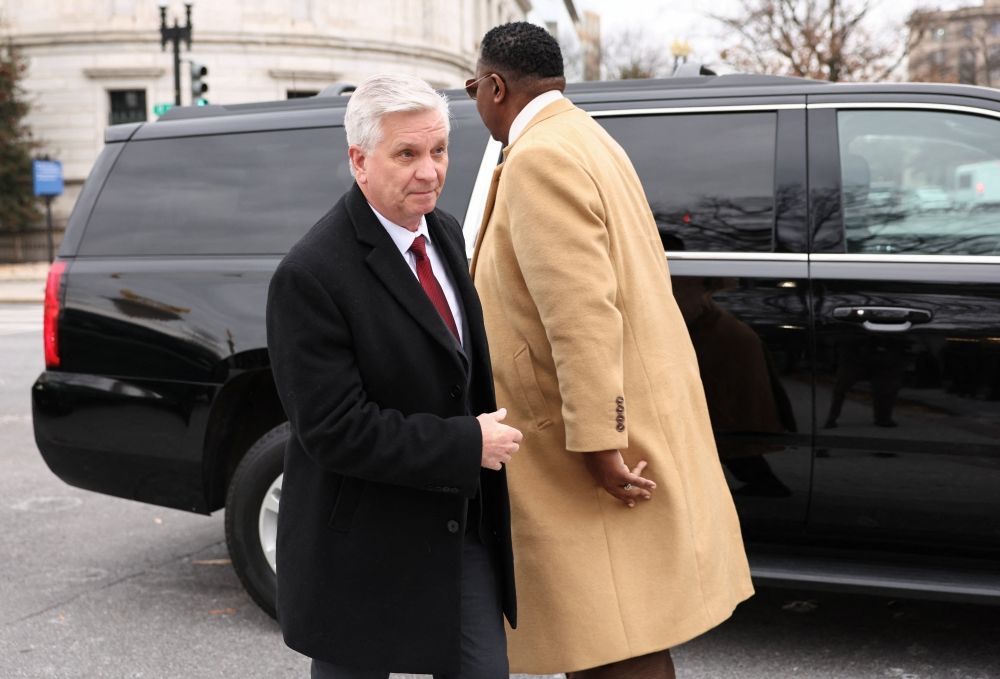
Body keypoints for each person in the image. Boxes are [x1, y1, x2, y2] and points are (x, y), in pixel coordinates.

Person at [468, 22, 754, 678]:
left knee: (606, 635)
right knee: (622, 628)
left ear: (495, 86)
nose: (473, 99)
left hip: (575, 449)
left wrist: (601, 445)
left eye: (471, 87)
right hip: (614, 421)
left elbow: (581, 316)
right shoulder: (588, 137)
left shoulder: (539, 157)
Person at [266, 73, 521, 679]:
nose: (430, 171)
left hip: (456, 529)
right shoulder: (310, 275)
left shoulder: (445, 232)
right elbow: (333, 429)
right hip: (359, 548)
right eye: (407, 154)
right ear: (359, 161)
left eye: (439, 150)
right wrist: (466, 444)